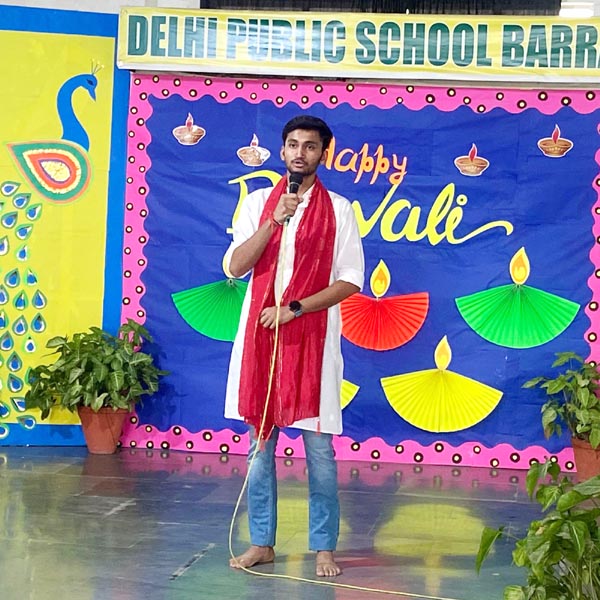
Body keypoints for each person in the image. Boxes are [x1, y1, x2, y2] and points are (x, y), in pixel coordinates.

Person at [224, 115, 364, 577]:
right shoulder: (258, 203)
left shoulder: (340, 209)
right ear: (282, 151)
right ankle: (261, 542)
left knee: (319, 455)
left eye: (310, 146)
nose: (300, 153)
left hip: (312, 344)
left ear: (323, 153)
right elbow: (235, 267)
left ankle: (323, 547)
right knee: (260, 450)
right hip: (261, 343)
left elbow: (350, 280)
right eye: (293, 144)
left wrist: (295, 309)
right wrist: (273, 222)